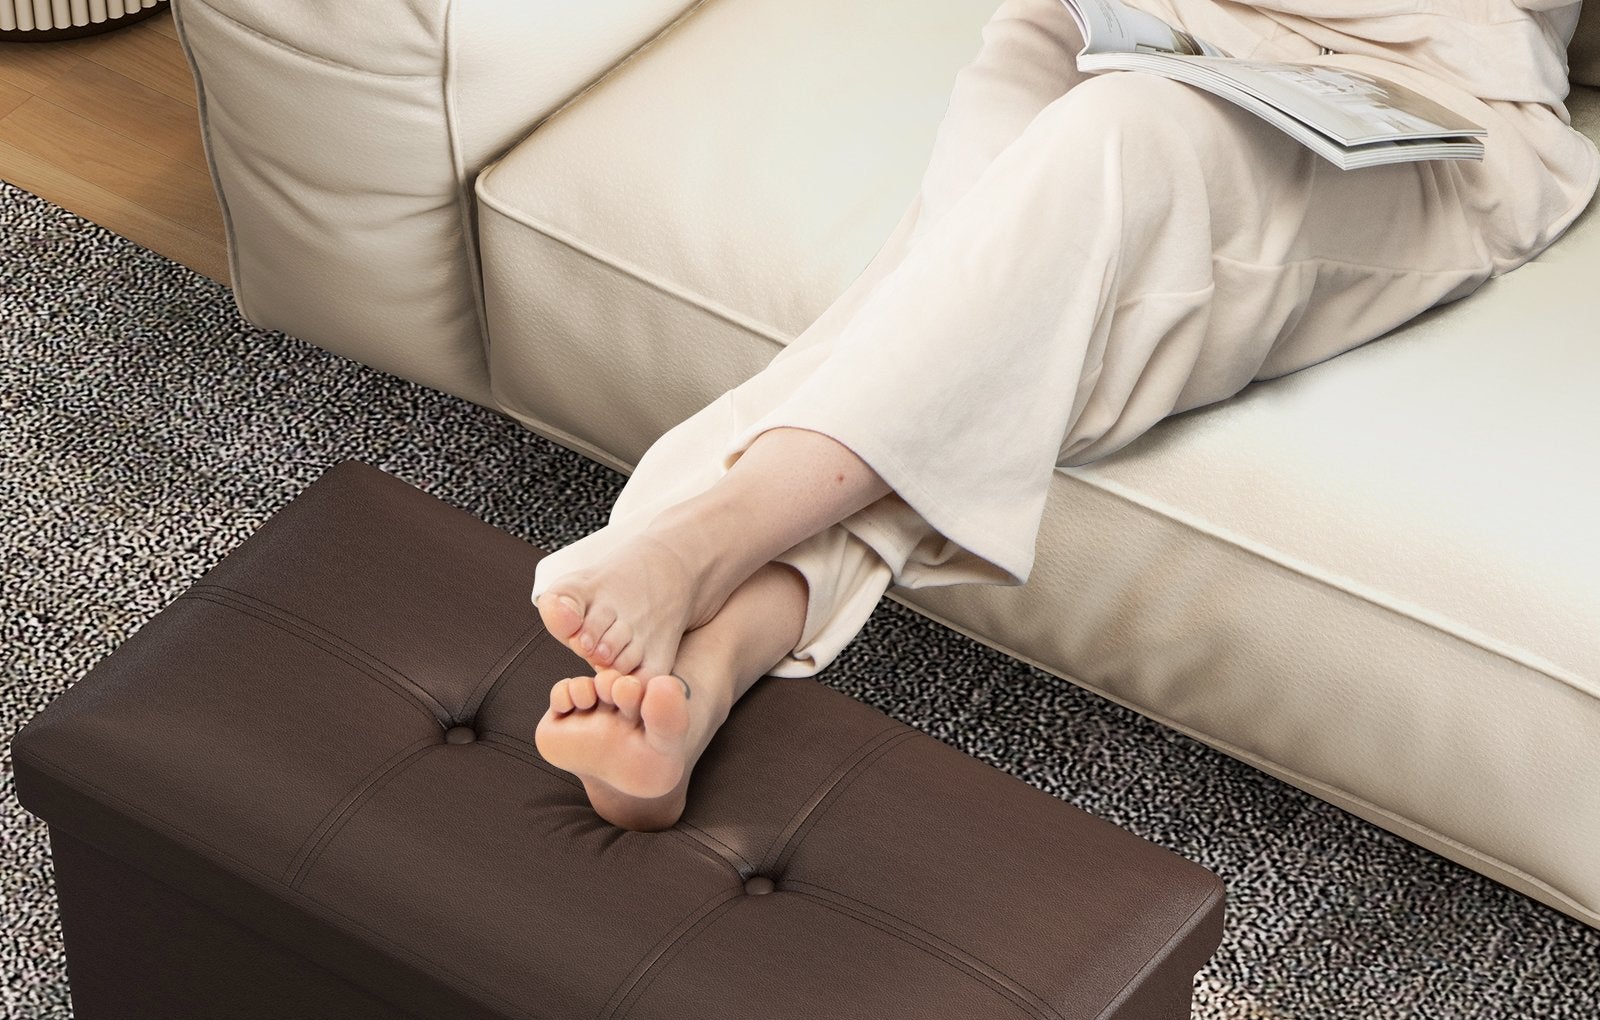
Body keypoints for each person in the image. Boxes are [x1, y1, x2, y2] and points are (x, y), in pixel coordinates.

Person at [528, 0, 1597, 831]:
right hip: (1142, 25)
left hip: (1430, 106)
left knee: (1107, 154)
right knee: (958, 298)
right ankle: (705, 673)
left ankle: (702, 538)